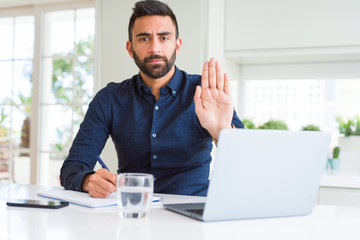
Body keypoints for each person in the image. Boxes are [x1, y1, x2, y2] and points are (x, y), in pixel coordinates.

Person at [60, 0, 243, 197]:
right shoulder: (109, 99)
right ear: (130, 49)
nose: (155, 48)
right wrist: (88, 180)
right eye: (144, 39)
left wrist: (221, 132)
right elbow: (71, 169)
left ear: (177, 46)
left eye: (164, 38)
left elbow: (246, 164)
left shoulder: (205, 92)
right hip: (132, 211)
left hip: (193, 213)